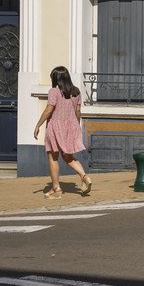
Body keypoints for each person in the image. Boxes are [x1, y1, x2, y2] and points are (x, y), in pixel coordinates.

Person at [33, 66, 91, 197]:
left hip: (55, 127)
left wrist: (38, 125)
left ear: (56, 79)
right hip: (70, 126)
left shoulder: (54, 91)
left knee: (53, 157)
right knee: (68, 156)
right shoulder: (76, 92)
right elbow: (78, 111)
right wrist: (77, 125)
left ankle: (56, 188)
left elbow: (49, 109)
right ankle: (84, 177)